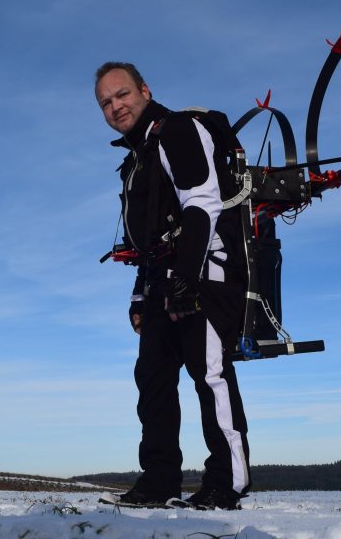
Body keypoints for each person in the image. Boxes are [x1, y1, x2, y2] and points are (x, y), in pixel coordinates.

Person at [94, 62, 251, 510]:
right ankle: (159, 480)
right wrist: (141, 295)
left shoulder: (178, 130)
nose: (115, 106)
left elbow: (202, 204)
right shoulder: (137, 155)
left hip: (204, 274)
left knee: (210, 375)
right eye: (106, 102)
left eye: (122, 94)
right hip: (162, 282)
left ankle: (227, 482)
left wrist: (186, 281)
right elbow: (147, 238)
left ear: (144, 90)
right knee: (153, 380)